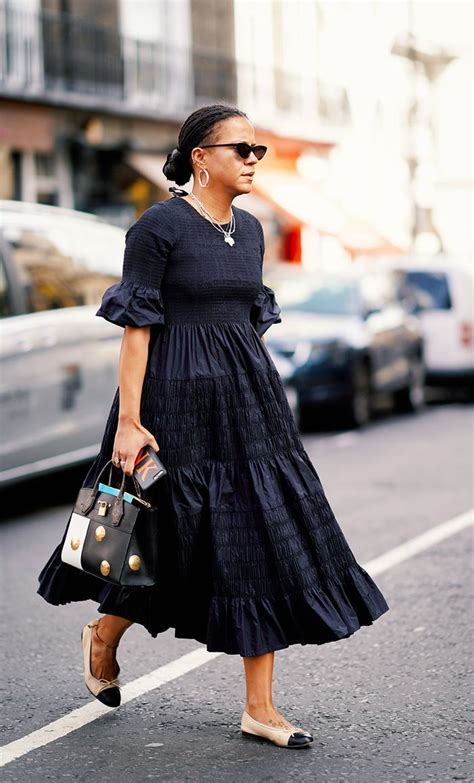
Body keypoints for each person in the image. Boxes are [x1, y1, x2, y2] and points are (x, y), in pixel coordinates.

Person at [37, 103, 389, 750]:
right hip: (169, 401)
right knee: (160, 534)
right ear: (201, 157)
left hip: (246, 404)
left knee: (261, 533)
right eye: (242, 148)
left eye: (257, 150)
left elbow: (246, 323)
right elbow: (137, 330)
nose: (254, 158)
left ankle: (260, 705)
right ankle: (106, 633)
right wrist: (131, 422)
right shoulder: (158, 228)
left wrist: (254, 390)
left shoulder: (251, 231)